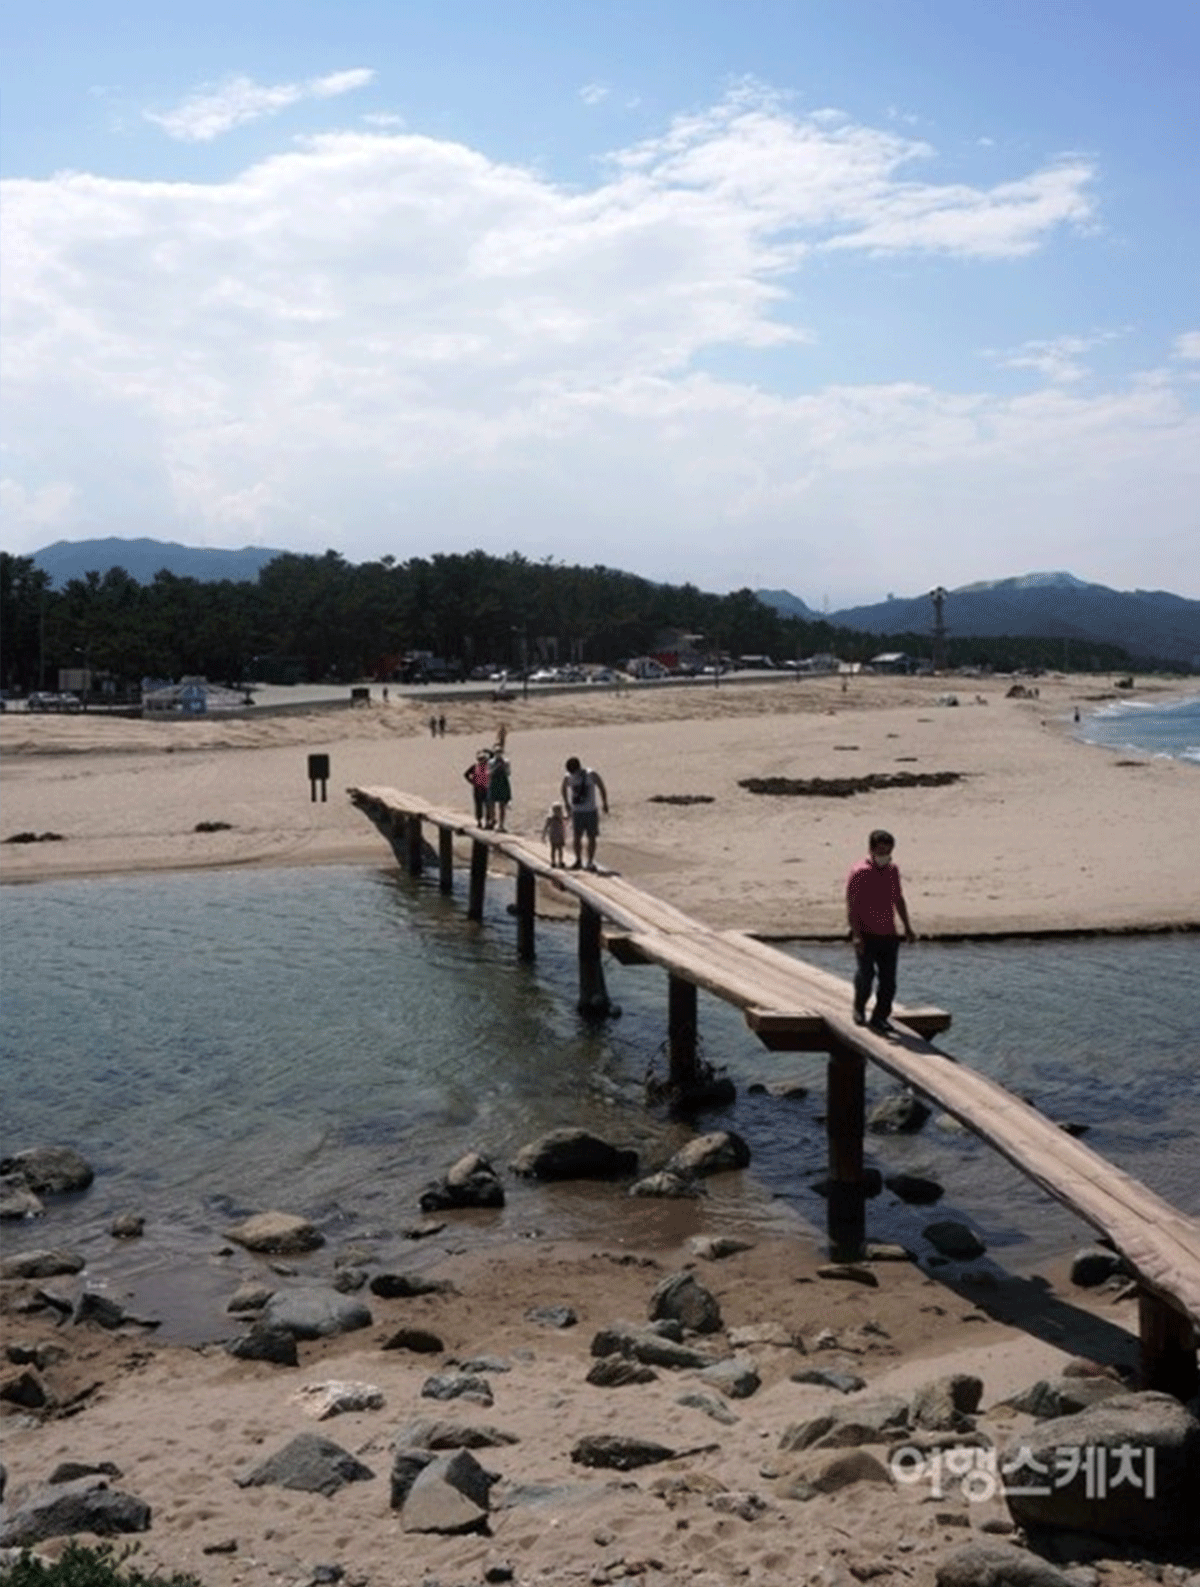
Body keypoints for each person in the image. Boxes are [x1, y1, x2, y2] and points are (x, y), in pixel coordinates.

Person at [845, 828, 915, 1034]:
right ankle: (858, 1009)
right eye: (882, 851)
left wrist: (908, 928)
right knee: (866, 976)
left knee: (889, 982)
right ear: (872, 849)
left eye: (889, 851)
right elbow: (852, 906)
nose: (885, 856)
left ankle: (880, 1017)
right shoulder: (860, 872)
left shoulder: (893, 871)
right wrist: (856, 935)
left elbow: (898, 899)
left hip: (888, 935)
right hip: (865, 934)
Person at [561, 756, 609, 871]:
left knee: (591, 837)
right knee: (577, 837)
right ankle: (578, 860)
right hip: (577, 811)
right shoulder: (568, 777)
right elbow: (563, 788)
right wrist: (566, 803)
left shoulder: (590, 774)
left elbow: (601, 786)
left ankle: (590, 861)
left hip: (591, 810)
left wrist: (605, 802)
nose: (573, 774)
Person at [486, 748, 512, 832]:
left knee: (502, 805)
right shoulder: (491, 762)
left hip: (503, 782)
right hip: (494, 783)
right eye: (497, 752)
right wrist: (495, 768)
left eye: (500, 752)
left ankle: (501, 824)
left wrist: (503, 767)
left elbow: (508, 773)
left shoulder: (506, 761)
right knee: (491, 804)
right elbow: (488, 773)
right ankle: (492, 820)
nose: (498, 754)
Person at [463, 749, 490, 827]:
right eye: (480, 759)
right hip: (478, 789)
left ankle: (488, 822)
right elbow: (466, 774)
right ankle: (479, 821)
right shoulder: (475, 766)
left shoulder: (489, 766)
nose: (482, 761)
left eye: (484, 759)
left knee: (488, 806)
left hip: (486, 788)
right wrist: (472, 782)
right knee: (478, 806)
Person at [542, 800, 567, 868]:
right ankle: (553, 861)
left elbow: (566, 819)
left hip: (560, 835)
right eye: (556, 810)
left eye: (559, 810)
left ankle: (560, 861)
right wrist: (543, 835)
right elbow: (546, 826)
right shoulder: (550, 818)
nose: (557, 812)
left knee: (560, 849)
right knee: (553, 849)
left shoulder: (561, 817)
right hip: (553, 835)